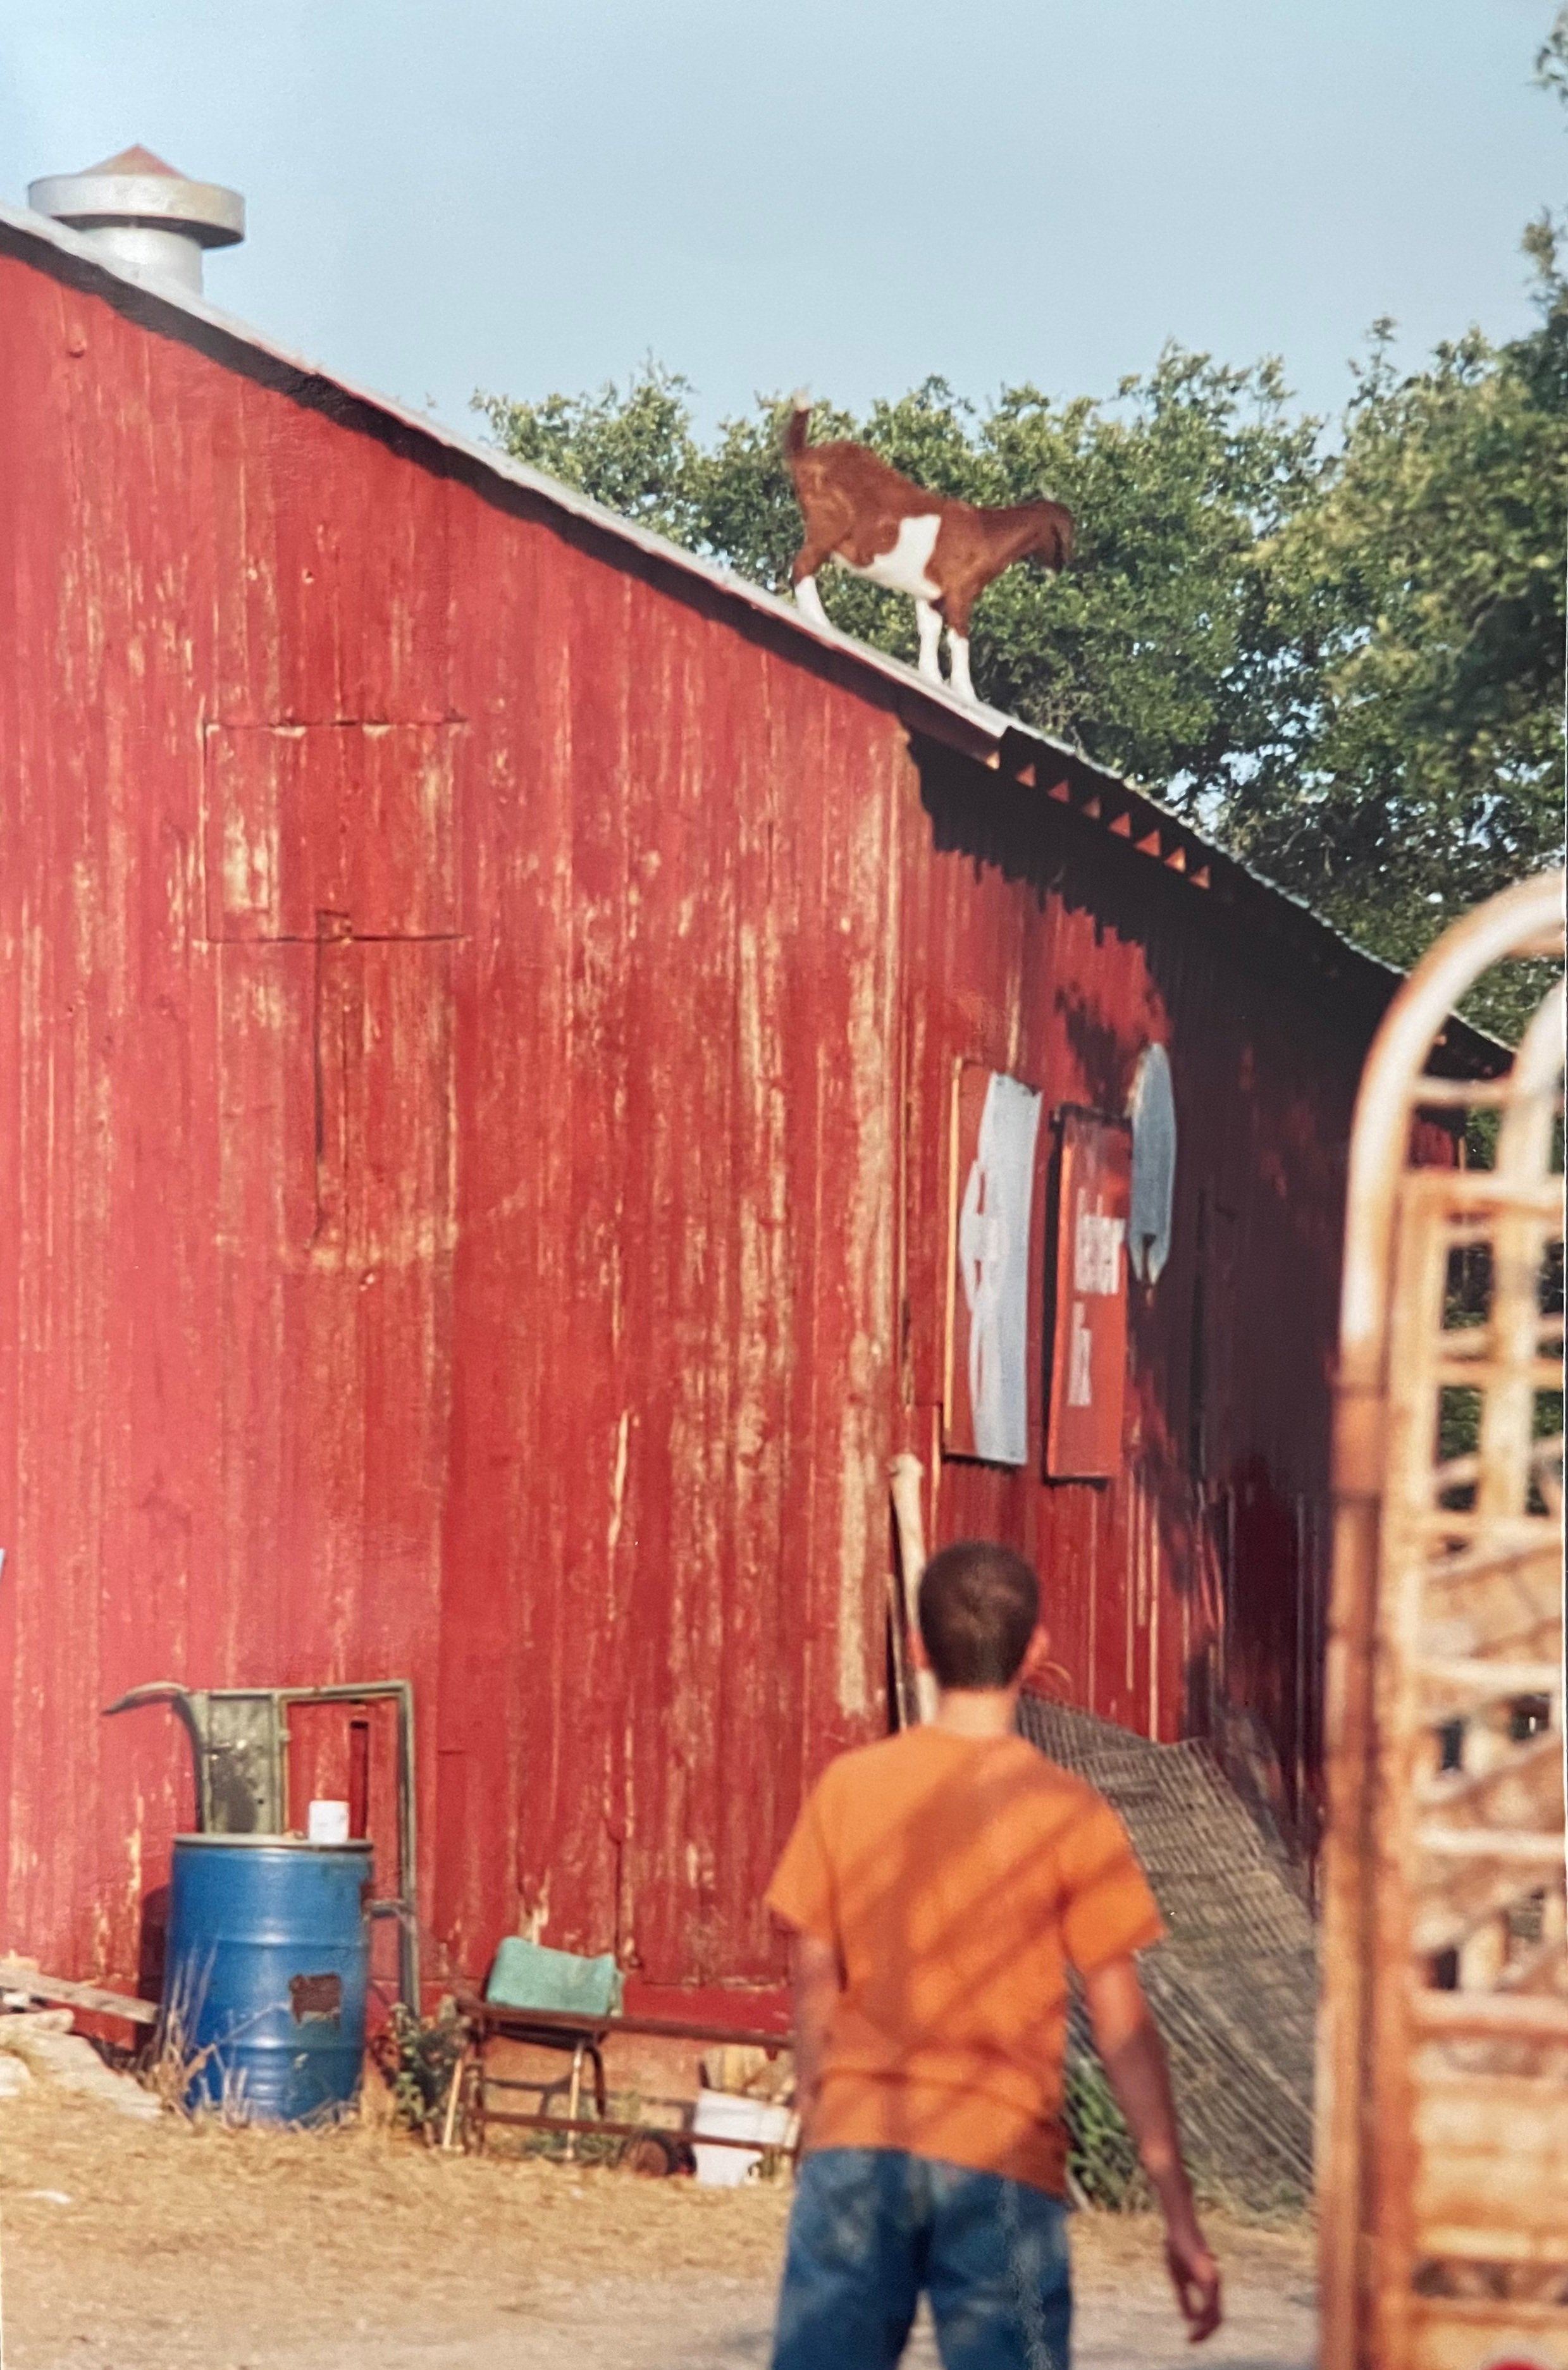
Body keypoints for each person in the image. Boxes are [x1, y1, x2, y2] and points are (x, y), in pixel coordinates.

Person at [765, 1538, 1221, 2370]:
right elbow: (1122, 2023)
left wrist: (817, 2114)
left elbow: (814, 1978)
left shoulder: (850, 1789)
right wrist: (1176, 2207)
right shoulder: (1071, 1815)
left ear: (918, 1648)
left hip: (860, 2146)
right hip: (1004, 2160)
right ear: (1037, 1652)